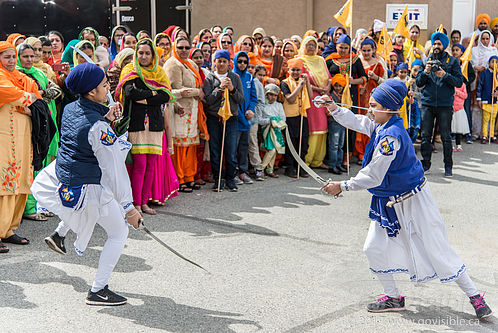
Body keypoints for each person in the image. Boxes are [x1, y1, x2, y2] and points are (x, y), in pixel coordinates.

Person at [318, 78, 492, 320]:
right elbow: (357, 121)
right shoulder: (380, 124)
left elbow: (374, 174)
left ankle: (475, 297)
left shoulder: (392, 136)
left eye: (374, 105)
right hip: (388, 201)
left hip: (414, 199)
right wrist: (333, 107)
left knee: (437, 247)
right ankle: (393, 297)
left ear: (389, 108)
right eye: (369, 104)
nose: (369, 109)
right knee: (373, 248)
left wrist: (343, 186)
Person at [31, 62, 141, 305]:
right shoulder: (99, 128)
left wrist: (105, 116)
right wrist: (129, 207)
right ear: (92, 92)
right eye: (104, 84)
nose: (108, 86)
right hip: (88, 185)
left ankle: (60, 234)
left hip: (65, 177)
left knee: (86, 215)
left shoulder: (71, 107)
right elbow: (114, 170)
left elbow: (84, 128)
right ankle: (98, 289)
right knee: (119, 231)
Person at [115, 39, 173, 214]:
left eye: (148, 53)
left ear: (153, 55)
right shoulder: (130, 70)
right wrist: (153, 93)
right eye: (141, 53)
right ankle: (135, 204)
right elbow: (130, 93)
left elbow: (165, 96)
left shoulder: (159, 72)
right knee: (140, 165)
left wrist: (146, 97)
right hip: (136, 124)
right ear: (136, 54)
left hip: (155, 124)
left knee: (151, 166)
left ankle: (145, 202)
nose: (144, 56)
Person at [0, 41, 42, 253]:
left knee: (20, 181)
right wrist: (29, 100)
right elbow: (17, 95)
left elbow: (39, 98)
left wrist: (30, 102)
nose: (11, 61)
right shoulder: (1, 78)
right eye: (6, 57)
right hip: (3, 140)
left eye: (13, 56)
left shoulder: (23, 78)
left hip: (23, 139)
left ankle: (9, 230)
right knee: (3, 183)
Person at [16, 43, 61, 220]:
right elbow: (24, 99)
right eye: (25, 56)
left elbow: (56, 90)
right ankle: (29, 208)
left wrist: (39, 94)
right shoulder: (16, 76)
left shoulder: (39, 73)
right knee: (31, 164)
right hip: (27, 123)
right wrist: (40, 96)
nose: (29, 60)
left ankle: (41, 205)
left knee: (43, 164)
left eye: (31, 56)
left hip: (44, 121)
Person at [416, 32, 464, 177]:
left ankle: (448, 166)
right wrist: (425, 72)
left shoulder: (453, 62)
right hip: (427, 103)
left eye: (439, 44)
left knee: (446, 136)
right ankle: (425, 165)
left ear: (444, 45)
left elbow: (459, 82)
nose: (436, 46)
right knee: (425, 136)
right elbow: (419, 82)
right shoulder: (426, 60)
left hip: (444, 104)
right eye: (434, 44)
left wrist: (445, 75)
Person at [164, 38, 205, 192]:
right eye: (180, 47)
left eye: (187, 47)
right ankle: (179, 179)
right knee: (180, 148)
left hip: (193, 109)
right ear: (175, 47)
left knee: (190, 147)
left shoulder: (191, 64)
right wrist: (196, 92)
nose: (184, 50)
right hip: (179, 110)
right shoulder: (172, 64)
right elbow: (170, 91)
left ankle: (189, 177)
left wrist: (197, 93)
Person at [203, 49, 244, 192]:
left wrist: (232, 89)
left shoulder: (235, 78)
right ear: (214, 62)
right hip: (214, 118)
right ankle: (218, 178)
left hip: (231, 118)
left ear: (228, 63)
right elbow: (208, 101)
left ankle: (230, 179)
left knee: (231, 150)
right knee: (215, 149)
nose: (221, 64)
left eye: (224, 61)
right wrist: (219, 89)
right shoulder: (209, 78)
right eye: (219, 61)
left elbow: (240, 99)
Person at [326, 34, 368, 168]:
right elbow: (325, 76)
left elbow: (364, 78)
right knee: (335, 126)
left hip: (351, 96)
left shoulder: (355, 59)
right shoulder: (330, 60)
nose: (343, 50)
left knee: (350, 124)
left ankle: (346, 157)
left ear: (350, 48)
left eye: (345, 48)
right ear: (336, 46)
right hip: (335, 97)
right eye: (340, 47)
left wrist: (353, 81)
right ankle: (333, 159)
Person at [298, 36, 331, 168]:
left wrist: (327, 88)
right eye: (308, 44)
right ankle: (307, 161)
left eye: (313, 44)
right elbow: (302, 81)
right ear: (303, 46)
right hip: (310, 97)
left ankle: (318, 160)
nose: (311, 47)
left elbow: (329, 78)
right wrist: (319, 89)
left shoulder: (321, 60)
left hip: (323, 98)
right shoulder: (301, 61)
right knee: (313, 129)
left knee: (323, 128)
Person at [281, 58, 312, 178]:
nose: (295, 72)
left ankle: (301, 166)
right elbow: (290, 99)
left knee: (303, 142)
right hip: (290, 116)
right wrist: (300, 86)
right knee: (291, 143)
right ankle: (290, 167)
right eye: (293, 70)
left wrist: (307, 82)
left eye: (297, 70)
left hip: (302, 115)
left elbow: (309, 95)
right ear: (289, 70)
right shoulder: (285, 82)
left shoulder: (303, 81)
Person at [358, 38, 386, 163]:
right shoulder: (357, 62)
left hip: (374, 99)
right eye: (364, 50)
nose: (366, 53)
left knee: (372, 125)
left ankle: (371, 152)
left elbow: (385, 81)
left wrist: (375, 77)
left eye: (369, 50)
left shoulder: (379, 63)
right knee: (361, 123)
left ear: (373, 50)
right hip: (360, 97)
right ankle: (360, 153)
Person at [233, 51, 257, 185]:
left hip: (247, 119)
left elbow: (253, 97)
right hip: (236, 118)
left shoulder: (249, 77)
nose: (242, 64)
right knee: (233, 148)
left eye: (245, 62)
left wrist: (251, 109)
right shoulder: (232, 76)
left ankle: (243, 172)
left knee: (244, 146)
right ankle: (233, 172)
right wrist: (242, 115)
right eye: (240, 61)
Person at [259, 84, 286, 178]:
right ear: (266, 94)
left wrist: (274, 120)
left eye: (275, 95)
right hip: (266, 130)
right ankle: (260, 169)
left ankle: (269, 169)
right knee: (271, 149)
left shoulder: (279, 105)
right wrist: (271, 120)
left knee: (274, 150)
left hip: (276, 130)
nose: (273, 97)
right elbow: (259, 119)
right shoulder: (262, 105)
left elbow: (283, 118)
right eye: (270, 94)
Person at [452, 43, 476, 144]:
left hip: (463, 90)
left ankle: (468, 133)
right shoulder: (451, 62)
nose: (455, 52)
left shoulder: (466, 62)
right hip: (453, 91)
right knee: (453, 112)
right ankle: (454, 133)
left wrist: (464, 84)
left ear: (462, 52)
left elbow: (472, 76)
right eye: (453, 50)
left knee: (465, 111)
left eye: (457, 50)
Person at [327, 74, 346, 174]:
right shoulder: (331, 96)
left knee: (341, 145)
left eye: (340, 86)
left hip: (342, 122)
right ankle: (332, 165)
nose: (338, 88)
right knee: (334, 145)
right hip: (334, 122)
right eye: (336, 86)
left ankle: (339, 164)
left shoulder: (345, 95)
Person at [249, 64, 265, 181]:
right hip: (239, 116)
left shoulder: (257, 83)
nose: (249, 68)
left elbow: (260, 102)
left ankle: (257, 167)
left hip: (252, 118)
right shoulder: (238, 77)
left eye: (251, 66)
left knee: (252, 142)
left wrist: (255, 117)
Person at [476, 55, 498, 143]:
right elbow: (479, 86)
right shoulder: (485, 73)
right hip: (486, 99)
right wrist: (479, 99)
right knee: (485, 119)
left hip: (495, 101)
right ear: (488, 63)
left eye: (496, 62)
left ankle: (492, 135)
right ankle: (485, 135)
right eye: (492, 61)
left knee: (493, 119)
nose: (494, 63)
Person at [452, 80, 469, 150]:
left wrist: (457, 92)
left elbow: (465, 96)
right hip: (451, 108)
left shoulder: (463, 85)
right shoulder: (451, 84)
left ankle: (458, 145)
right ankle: (452, 145)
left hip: (460, 108)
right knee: (451, 128)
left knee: (459, 128)